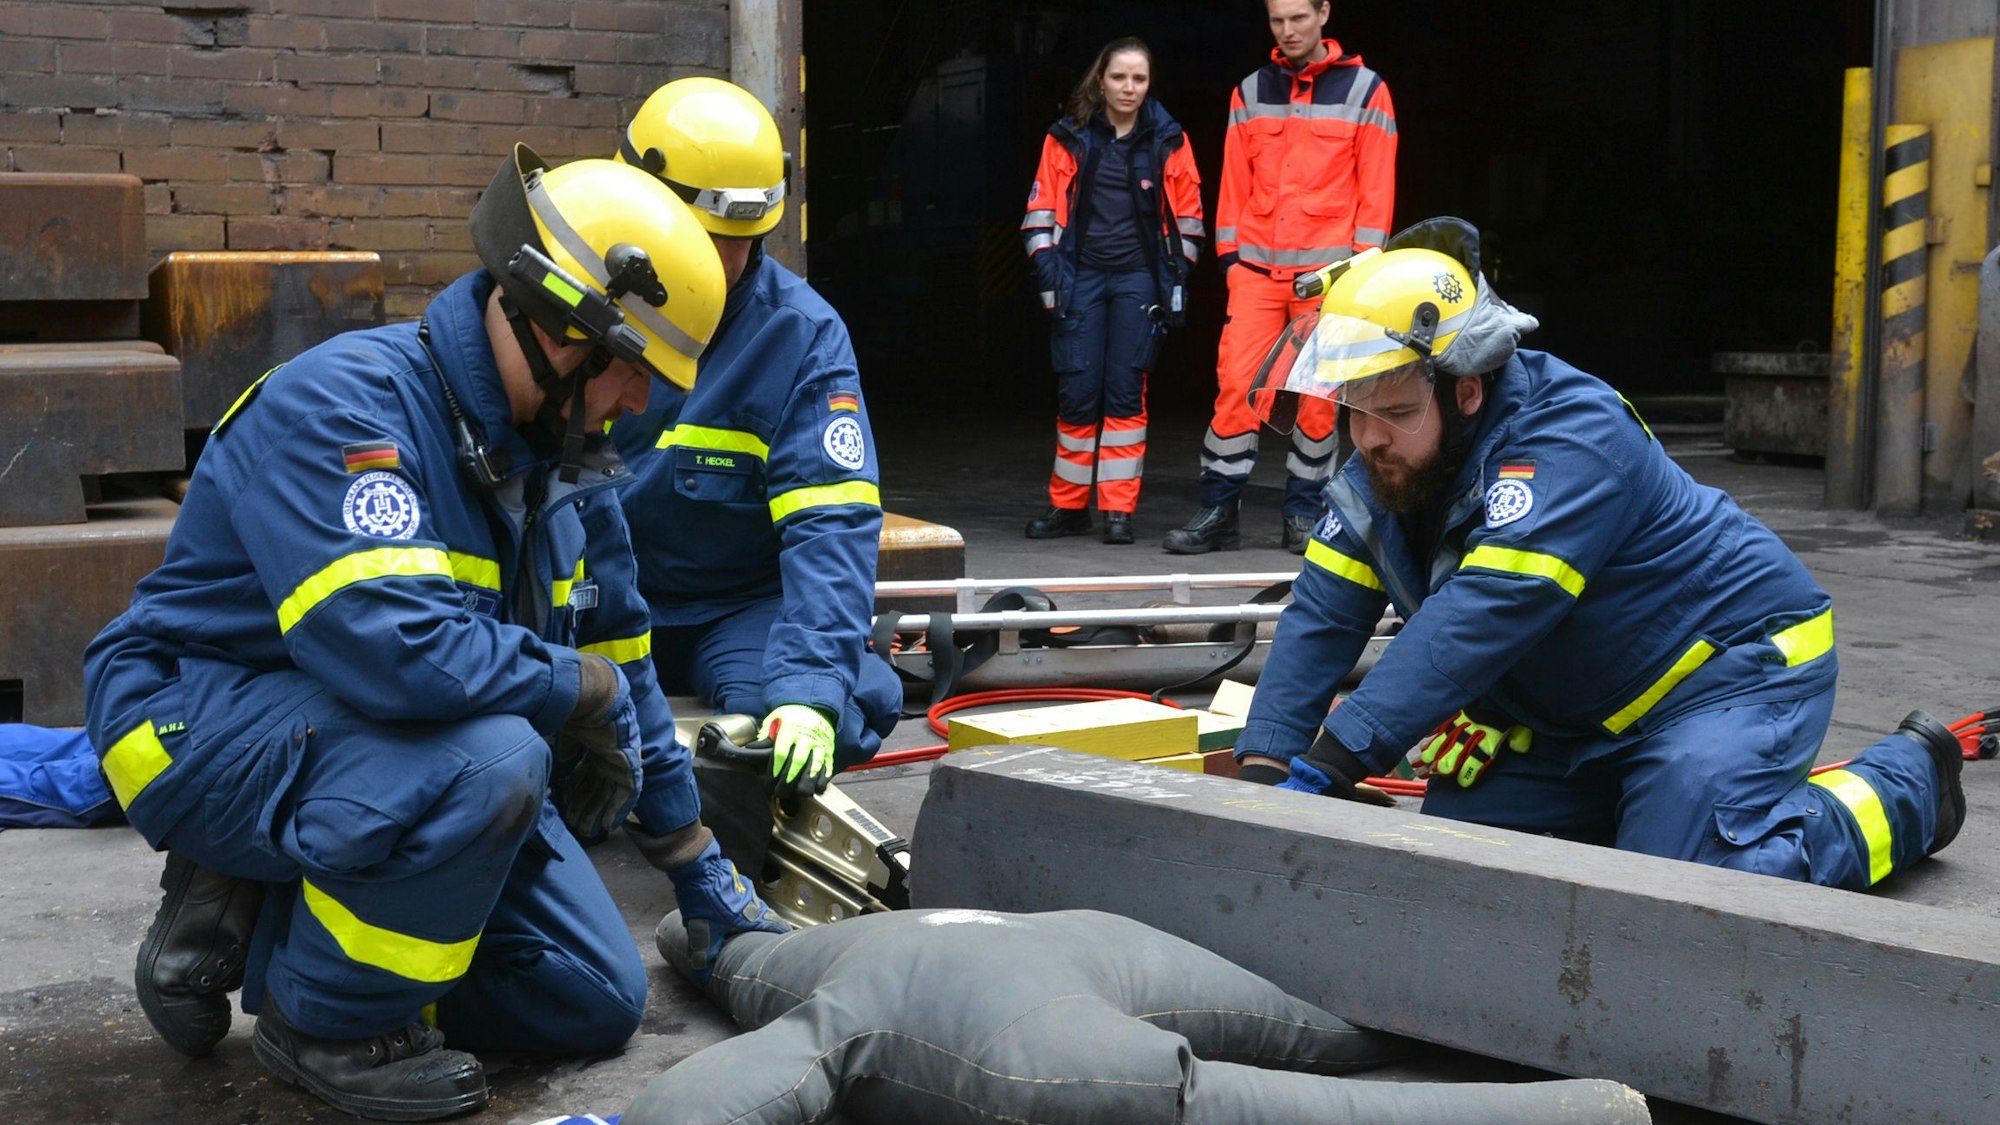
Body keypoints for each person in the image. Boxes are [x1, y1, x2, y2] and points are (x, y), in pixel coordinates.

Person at [83, 145, 787, 1122]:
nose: (638, 405)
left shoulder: (565, 463)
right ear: (556, 327)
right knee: (494, 759)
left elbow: (621, 663)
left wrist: (695, 863)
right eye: (631, 370)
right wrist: (570, 688)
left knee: (592, 997)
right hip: (195, 717)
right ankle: (323, 1022)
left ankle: (270, 907)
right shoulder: (348, 408)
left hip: (384, 747)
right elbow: (395, 651)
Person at [1234, 216, 1967, 892]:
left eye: (1394, 412)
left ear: (1467, 392)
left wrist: (1336, 759)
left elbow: (1487, 608)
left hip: (1731, 675)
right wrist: (1265, 770)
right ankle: (1647, 810)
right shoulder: (1391, 465)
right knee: (1461, 863)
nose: (1368, 439)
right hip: (1581, 713)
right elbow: (1323, 617)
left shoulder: (1571, 438)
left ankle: (1906, 789)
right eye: (1354, 409)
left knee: (1681, 890)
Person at [624, 908, 1654, 1125]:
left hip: (1047, 959)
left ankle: (1589, 1109)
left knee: (1320, 1046)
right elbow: (720, 949)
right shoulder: (829, 985)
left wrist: (687, 930)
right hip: (1061, 955)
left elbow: (723, 955)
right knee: (1305, 1048)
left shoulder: (809, 986)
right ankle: (1583, 1108)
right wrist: (690, 933)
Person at [609, 77, 900, 807]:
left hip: (731, 608)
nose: (729, 262)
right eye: (708, 237)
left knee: (838, 697)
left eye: (745, 238)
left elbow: (831, 522)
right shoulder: (574, 300)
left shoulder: (800, 334)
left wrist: (806, 691)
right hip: (594, 596)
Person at [1165, 0, 1396, 556]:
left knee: (1318, 398)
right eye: (1277, 20)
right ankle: (1219, 510)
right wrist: (1231, 260)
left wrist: (1358, 268)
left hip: (1329, 278)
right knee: (1235, 388)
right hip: (1256, 274)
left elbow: (1376, 189)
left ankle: (1305, 513)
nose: (1288, 30)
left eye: (1298, 18)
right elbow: (1234, 183)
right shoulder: (1250, 91)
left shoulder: (1367, 91)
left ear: (1323, 13)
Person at [1020, 36, 1205, 546]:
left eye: (1139, 78)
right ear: (1100, 81)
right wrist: (1050, 273)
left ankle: (1118, 511)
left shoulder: (1169, 139)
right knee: (1078, 392)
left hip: (1137, 281)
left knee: (1125, 393)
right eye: (1119, 77)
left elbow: (1190, 222)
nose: (1129, 87)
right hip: (1079, 278)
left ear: (1149, 84)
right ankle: (1068, 507)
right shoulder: (1066, 136)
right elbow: (1039, 214)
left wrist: (1174, 277)